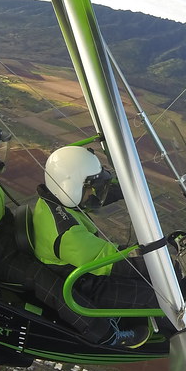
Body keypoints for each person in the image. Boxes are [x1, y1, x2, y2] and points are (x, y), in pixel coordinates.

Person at [0, 111, 142, 347]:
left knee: (55, 263)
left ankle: (103, 306)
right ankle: (105, 334)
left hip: (4, 233)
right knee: (49, 284)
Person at [33, 145, 163, 346]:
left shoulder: (55, 200)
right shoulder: (66, 232)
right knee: (156, 295)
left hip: (86, 268)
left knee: (146, 277)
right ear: (70, 187)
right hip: (86, 284)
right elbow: (109, 261)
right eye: (88, 187)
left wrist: (125, 189)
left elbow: (90, 199)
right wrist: (166, 266)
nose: (92, 192)